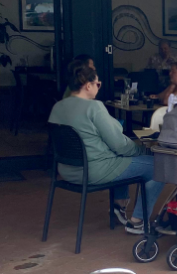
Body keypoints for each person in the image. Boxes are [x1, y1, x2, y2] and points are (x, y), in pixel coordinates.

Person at [49, 63, 165, 234]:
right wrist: (144, 150)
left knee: (120, 157)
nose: (98, 87)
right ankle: (138, 221)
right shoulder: (94, 107)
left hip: (67, 170)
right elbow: (120, 146)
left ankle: (119, 205)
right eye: (98, 84)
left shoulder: (58, 107)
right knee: (160, 166)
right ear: (88, 85)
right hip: (94, 170)